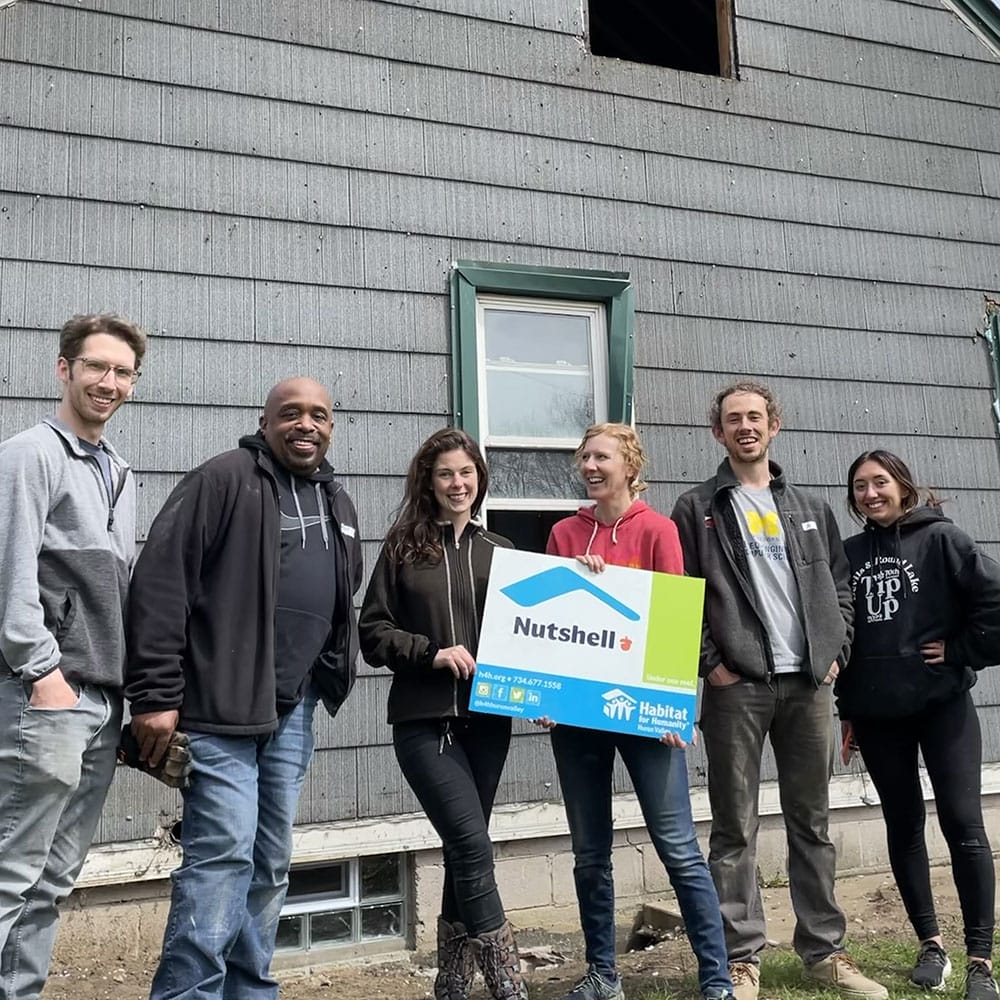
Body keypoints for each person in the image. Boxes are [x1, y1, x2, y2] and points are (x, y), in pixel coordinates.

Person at [125, 377, 362, 1000]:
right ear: (265, 422)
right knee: (223, 858)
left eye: (319, 415)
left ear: (331, 427)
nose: (306, 425)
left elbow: (342, 596)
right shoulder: (223, 480)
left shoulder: (337, 501)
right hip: (219, 708)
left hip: (294, 710)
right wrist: (155, 695)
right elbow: (160, 584)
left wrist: (323, 672)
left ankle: (249, 992)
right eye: (291, 414)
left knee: (269, 864)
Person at [670, 382, 887, 1000]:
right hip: (736, 688)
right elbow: (683, 592)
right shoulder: (697, 507)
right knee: (734, 827)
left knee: (811, 822)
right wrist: (712, 664)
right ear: (718, 432)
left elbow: (840, 588)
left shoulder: (810, 505)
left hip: (809, 685)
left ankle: (825, 952)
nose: (745, 427)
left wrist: (836, 653)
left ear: (774, 425)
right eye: (733, 419)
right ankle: (741, 959)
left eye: (755, 417)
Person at [543, 422, 734, 1000]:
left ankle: (717, 978)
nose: (590, 466)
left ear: (629, 465)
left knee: (678, 846)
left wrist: (677, 709)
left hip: (644, 714)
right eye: (584, 457)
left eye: (601, 457)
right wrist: (547, 696)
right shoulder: (563, 533)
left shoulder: (657, 530)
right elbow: (549, 626)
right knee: (588, 853)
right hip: (578, 717)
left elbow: (674, 619)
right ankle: (603, 975)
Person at [0, 313, 146, 999]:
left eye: (122, 372)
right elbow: (9, 574)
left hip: (102, 702)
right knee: (11, 872)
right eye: (96, 366)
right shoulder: (30, 454)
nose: (108, 382)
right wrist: (42, 672)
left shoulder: (119, 472)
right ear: (64, 369)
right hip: (47, 697)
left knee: (51, 882)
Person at [358, 428, 527, 1000]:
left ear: (479, 478)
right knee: (473, 844)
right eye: (446, 474)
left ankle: (452, 979)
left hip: (488, 724)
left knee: (464, 844)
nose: (458, 483)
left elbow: (528, 637)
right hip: (424, 722)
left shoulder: (501, 550)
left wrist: (543, 694)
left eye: (466, 472)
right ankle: (506, 977)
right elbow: (373, 632)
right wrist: (431, 653)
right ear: (428, 483)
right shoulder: (404, 548)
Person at [838, 450, 1000, 1000]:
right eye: (860, 486)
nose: (870, 494)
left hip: (942, 706)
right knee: (903, 826)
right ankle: (931, 945)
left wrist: (961, 649)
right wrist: (847, 710)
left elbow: (994, 600)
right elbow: (845, 636)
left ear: (903, 486)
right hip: (877, 714)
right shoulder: (850, 554)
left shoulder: (942, 540)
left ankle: (980, 959)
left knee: (963, 824)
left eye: (879, 482)